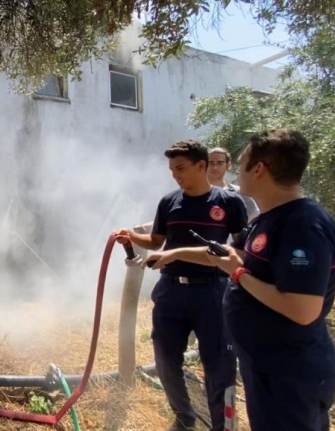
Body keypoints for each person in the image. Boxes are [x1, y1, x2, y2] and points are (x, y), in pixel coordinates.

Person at [204, 129, 335, 430]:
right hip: (267, 365)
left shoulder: (303, 225)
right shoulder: (269, 217)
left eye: (240, 162)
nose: (236, 169)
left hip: (289, 371)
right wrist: (175, 253)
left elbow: (302, 310)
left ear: (259, 169)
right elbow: (235, 256)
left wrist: (237, 274)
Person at [115, 140, 248, 431]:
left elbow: (239, 251)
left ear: (202, 166)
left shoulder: (229, 203)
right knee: (165, 359)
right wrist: (132, 237)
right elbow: (157, 241)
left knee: (219, 366)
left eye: (181, 168)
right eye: (172, 169)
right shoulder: (169, 202)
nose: (175, 174)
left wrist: (181, 254)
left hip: (213, 291)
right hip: (171, 291)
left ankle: (224, 426)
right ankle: (184, 417)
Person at [208, 147, 259, 221]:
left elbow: (254, 216)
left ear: (228, 165)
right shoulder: (193, 192)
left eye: (220, 163)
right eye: (211, 163)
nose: (215, 167)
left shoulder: (240, 193)